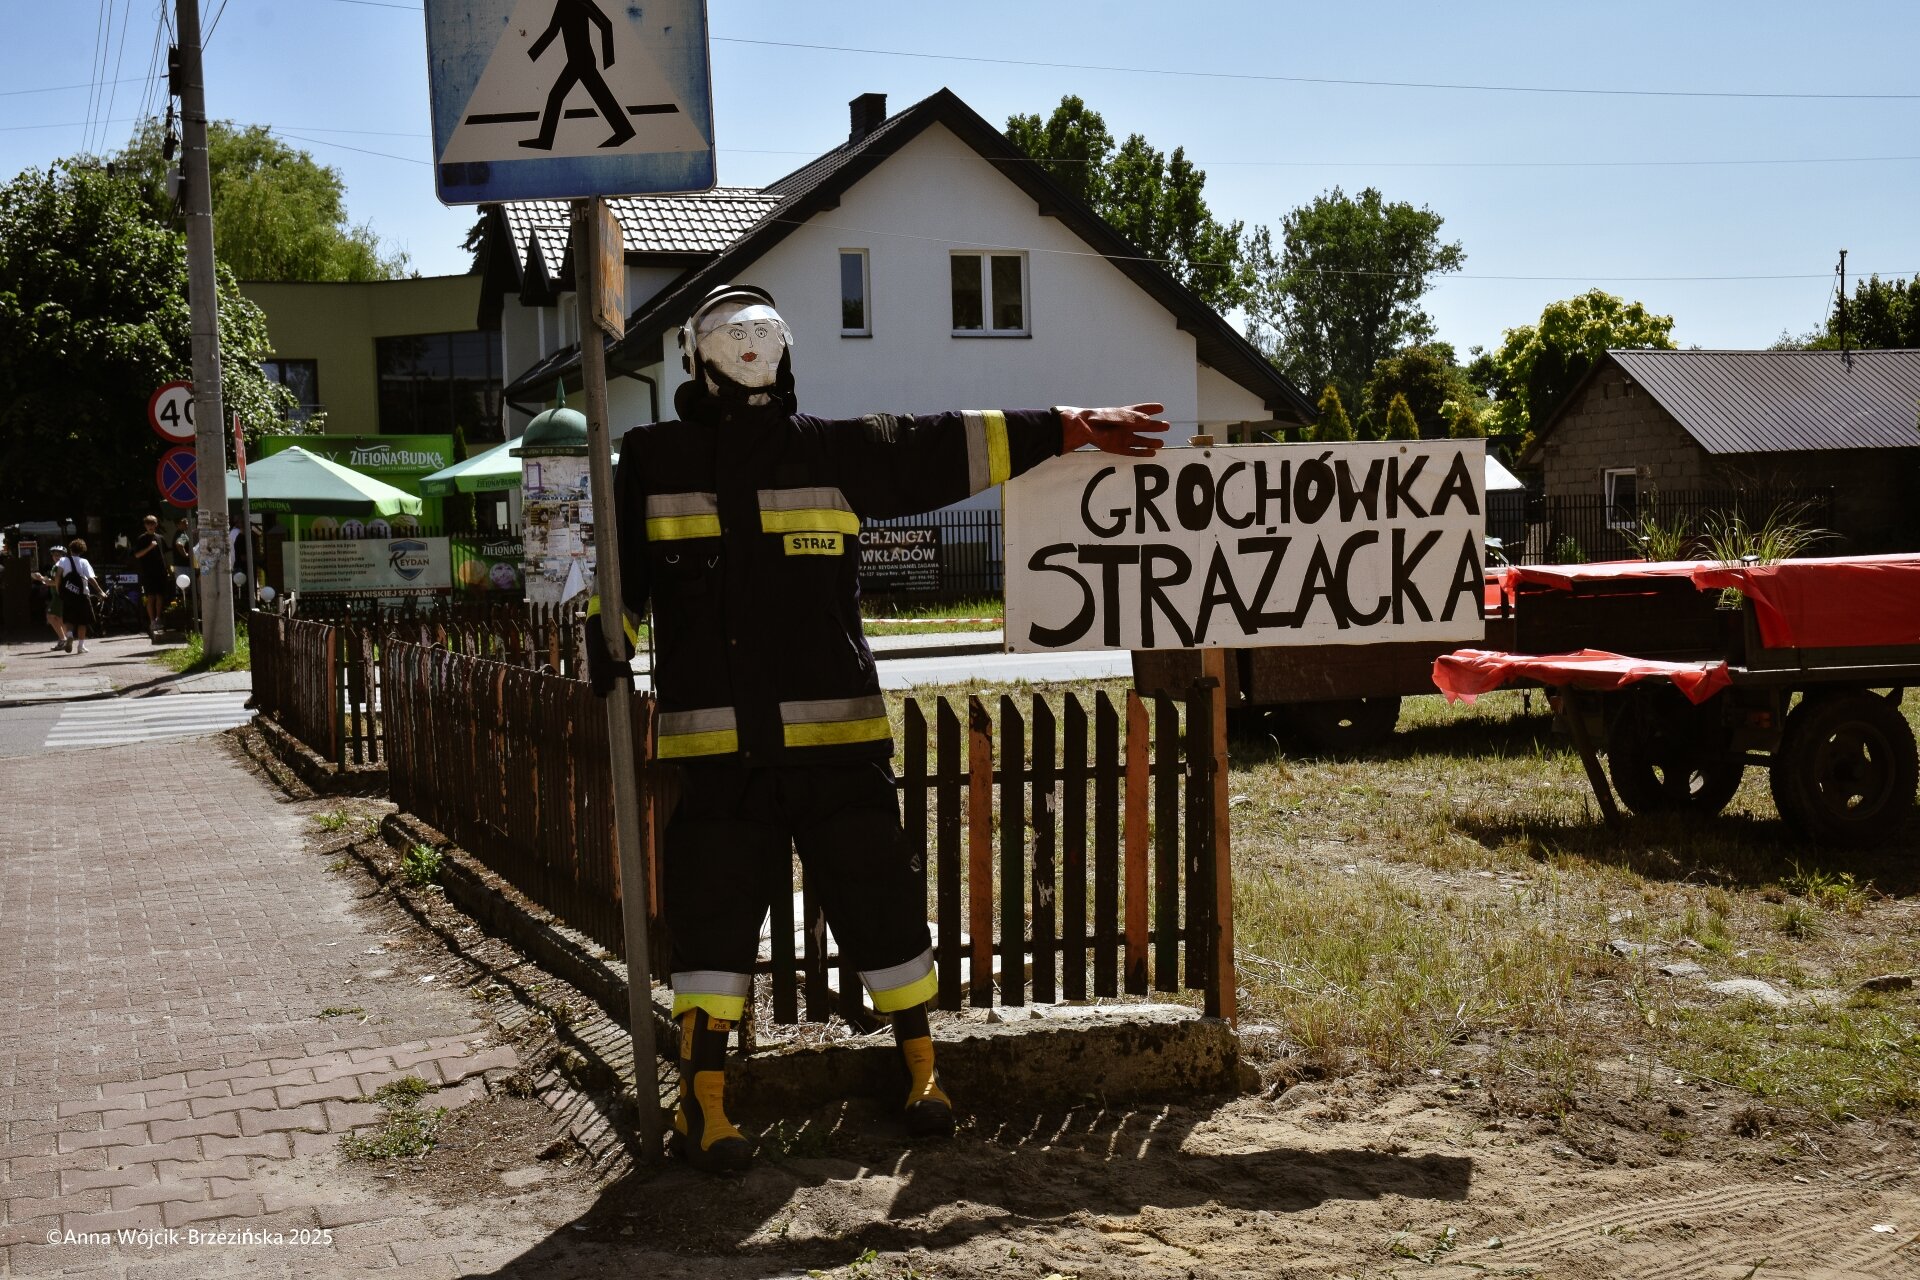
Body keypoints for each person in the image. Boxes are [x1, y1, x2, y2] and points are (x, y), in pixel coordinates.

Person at [587, 283, 1166, 1174]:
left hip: (838, 751)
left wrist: (1067, 426)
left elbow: (944, 444)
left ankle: (922, 1071)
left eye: (764, 333)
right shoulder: (654, 461)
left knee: (880, 902)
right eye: (735, 336)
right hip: (722, 757)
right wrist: (606, 637)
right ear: (699, 359)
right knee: (713, 921)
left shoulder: (832, 450)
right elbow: (623, 578)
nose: (752, 348)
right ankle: (704, 1101)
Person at [53, 538, 105, 654]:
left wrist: (58, 589)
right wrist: (100, 591)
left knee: (68, 618)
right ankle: (81, 646)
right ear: (82, 550)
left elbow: (57, 576)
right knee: (83, 621)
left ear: (70, 549)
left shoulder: (63, 560)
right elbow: (91, 578)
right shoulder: (84, 562)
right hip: (83, 594)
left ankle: (70, 635)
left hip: (68, 594)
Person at [132, 514, 170, 634]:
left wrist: (168, 568)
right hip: (148, 572)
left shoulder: (160, 538)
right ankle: (152, 621)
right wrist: (150, 547)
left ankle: (158, 619)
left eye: (152, 523)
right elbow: (137, 555)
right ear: (145, 525)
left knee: (160, 595)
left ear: (156, 524)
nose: (150, 526)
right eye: (148, 523)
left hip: (161, 571)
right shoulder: (141, 538)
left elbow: (164, 555)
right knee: (151, 596)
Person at [32, 545, 67, 649]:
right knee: (59, 618)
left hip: (59, 595)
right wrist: (43, 578)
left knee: (51, 616)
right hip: (58, 595)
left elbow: (56, 582)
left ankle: (63, 639)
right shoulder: (56, 566)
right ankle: (65, 639)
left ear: (64, 556)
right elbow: (52, 580)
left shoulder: (59, 567)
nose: (56, 557)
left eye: (59, 555)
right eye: (54, 555)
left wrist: (41, 579)